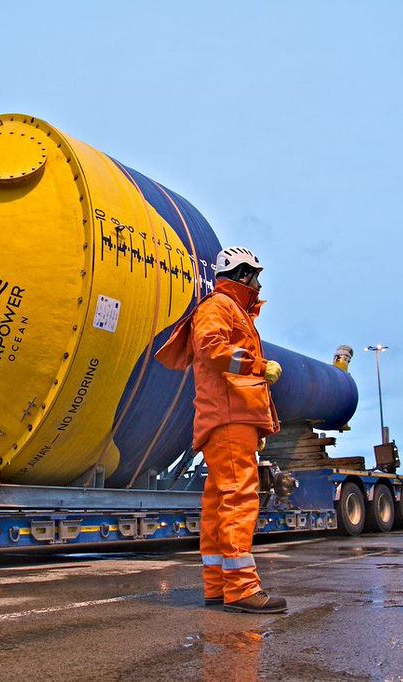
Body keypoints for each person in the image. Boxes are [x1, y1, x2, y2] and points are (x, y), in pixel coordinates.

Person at [155, 246, 285, 614]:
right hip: (231, 419)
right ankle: (242, 589)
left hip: (225, 418)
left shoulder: (230, 309)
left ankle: (218, 586)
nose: (259, 284)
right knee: (238, 500)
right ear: (243, 275)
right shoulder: (219, 307)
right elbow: (213, 348)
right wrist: (260, 366)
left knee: (218, 505)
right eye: (256, 276)